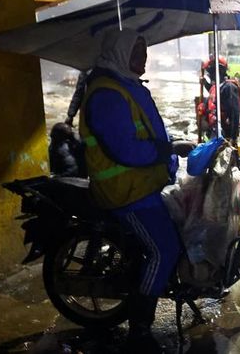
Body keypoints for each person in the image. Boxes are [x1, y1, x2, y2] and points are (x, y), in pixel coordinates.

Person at [79, 28, 183, 352]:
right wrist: (164, 152)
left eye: (144, 50)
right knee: (164, 249)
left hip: (143, 183)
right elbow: (125, 149)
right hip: (125, 191)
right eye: (136, 51)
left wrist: (170, 151)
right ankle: (140, 329)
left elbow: (149, 132)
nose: (144, 57)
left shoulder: (129, 85)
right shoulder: (107, 94)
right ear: (120, 53)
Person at [197, 56, 240, 142]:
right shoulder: (217, 87)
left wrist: (232, 139)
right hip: (213, 133)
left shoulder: (229, 88)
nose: (210, 75)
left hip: (224, 136)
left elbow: (234, 114)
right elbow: (217, 96)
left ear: (219, 72)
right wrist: (205, 84)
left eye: (211, 72)